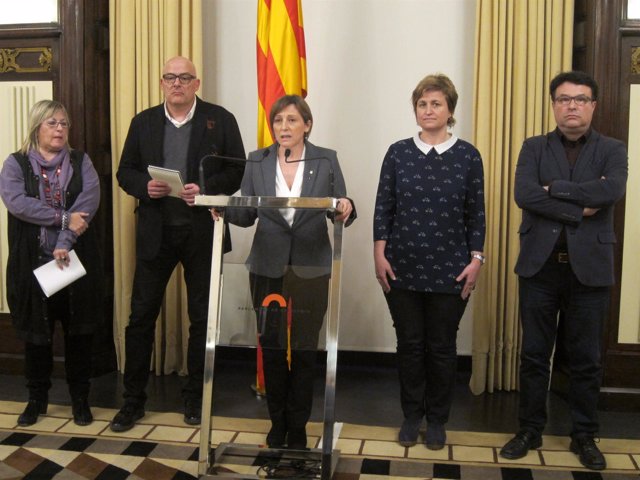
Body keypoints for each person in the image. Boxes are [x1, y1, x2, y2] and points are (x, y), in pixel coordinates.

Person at [499, 71, 628, 470]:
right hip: (540, 269)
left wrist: (553, 190)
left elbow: (611, 192)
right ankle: (529, 429)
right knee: (535, 355)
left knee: (587, 358)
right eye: (564, 98)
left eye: (581, 99)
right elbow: (524, 193)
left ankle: (584, 435)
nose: (572, 105)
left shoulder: (612, 148)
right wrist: (578, 206)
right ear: (553, 104)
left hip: (589, 272)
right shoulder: (534, 147)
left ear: (593, 105)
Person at [111, 56, 245, 432]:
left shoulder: (221, 119)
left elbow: (239, 169)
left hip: (203, 231)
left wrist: (207, 190)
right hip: (157, 232)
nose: (177, 84)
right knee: (140, 319)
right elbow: (125, 171)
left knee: (202, 320)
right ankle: (132, 402)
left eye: (184, 78)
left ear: (196, 83)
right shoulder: (144, 122)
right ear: (161, 82)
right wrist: (144, 187)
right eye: (170, 77)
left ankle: (195, 400)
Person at [223, 94, 356, 449]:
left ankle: (298, 425)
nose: (284, 127)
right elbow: (246, 213)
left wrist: (346, 206)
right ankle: (276, 422)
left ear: (307, 125)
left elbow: (341, 205)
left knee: (303, 348)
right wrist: (221, 206)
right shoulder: (257, 160)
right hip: (267, 266)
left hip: (311, 266)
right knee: (271, 346)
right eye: (278, 120)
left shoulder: (326, 159)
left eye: (292, 120)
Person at [373, 74, 485, 450]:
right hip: (401, 265)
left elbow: (477, 215)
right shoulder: (398, 152)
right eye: (422, 104)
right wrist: (378, 254)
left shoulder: (468, 156)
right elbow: (383, 208)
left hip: (451, 268)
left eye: (436, 103)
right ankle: (411, 416)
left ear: (450, 109)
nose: (428, 110)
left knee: (441, 347)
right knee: (409, 345)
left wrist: (477, 259)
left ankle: (437, 419)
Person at [0, 99, 102, 427]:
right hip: (31, 265)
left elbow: (89, 202)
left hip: (74, 264)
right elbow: (19, 204)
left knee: (79, 336)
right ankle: (37, 399)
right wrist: (63, 219)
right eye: (51, 123)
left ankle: (80, 401)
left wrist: (64, 242)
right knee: (36, 337)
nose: (59, 129)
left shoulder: (80, 160)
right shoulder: (15, 164)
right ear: (36, 127)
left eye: (63, 124)